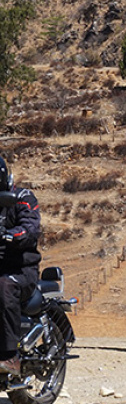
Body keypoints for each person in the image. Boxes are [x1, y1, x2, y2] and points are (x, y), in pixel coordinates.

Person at [0, 157, 41, 374]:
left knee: (4, 286)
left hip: (21, 269)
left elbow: (31, 228)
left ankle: (10, 356)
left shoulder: (22, 198)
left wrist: (10, 235)